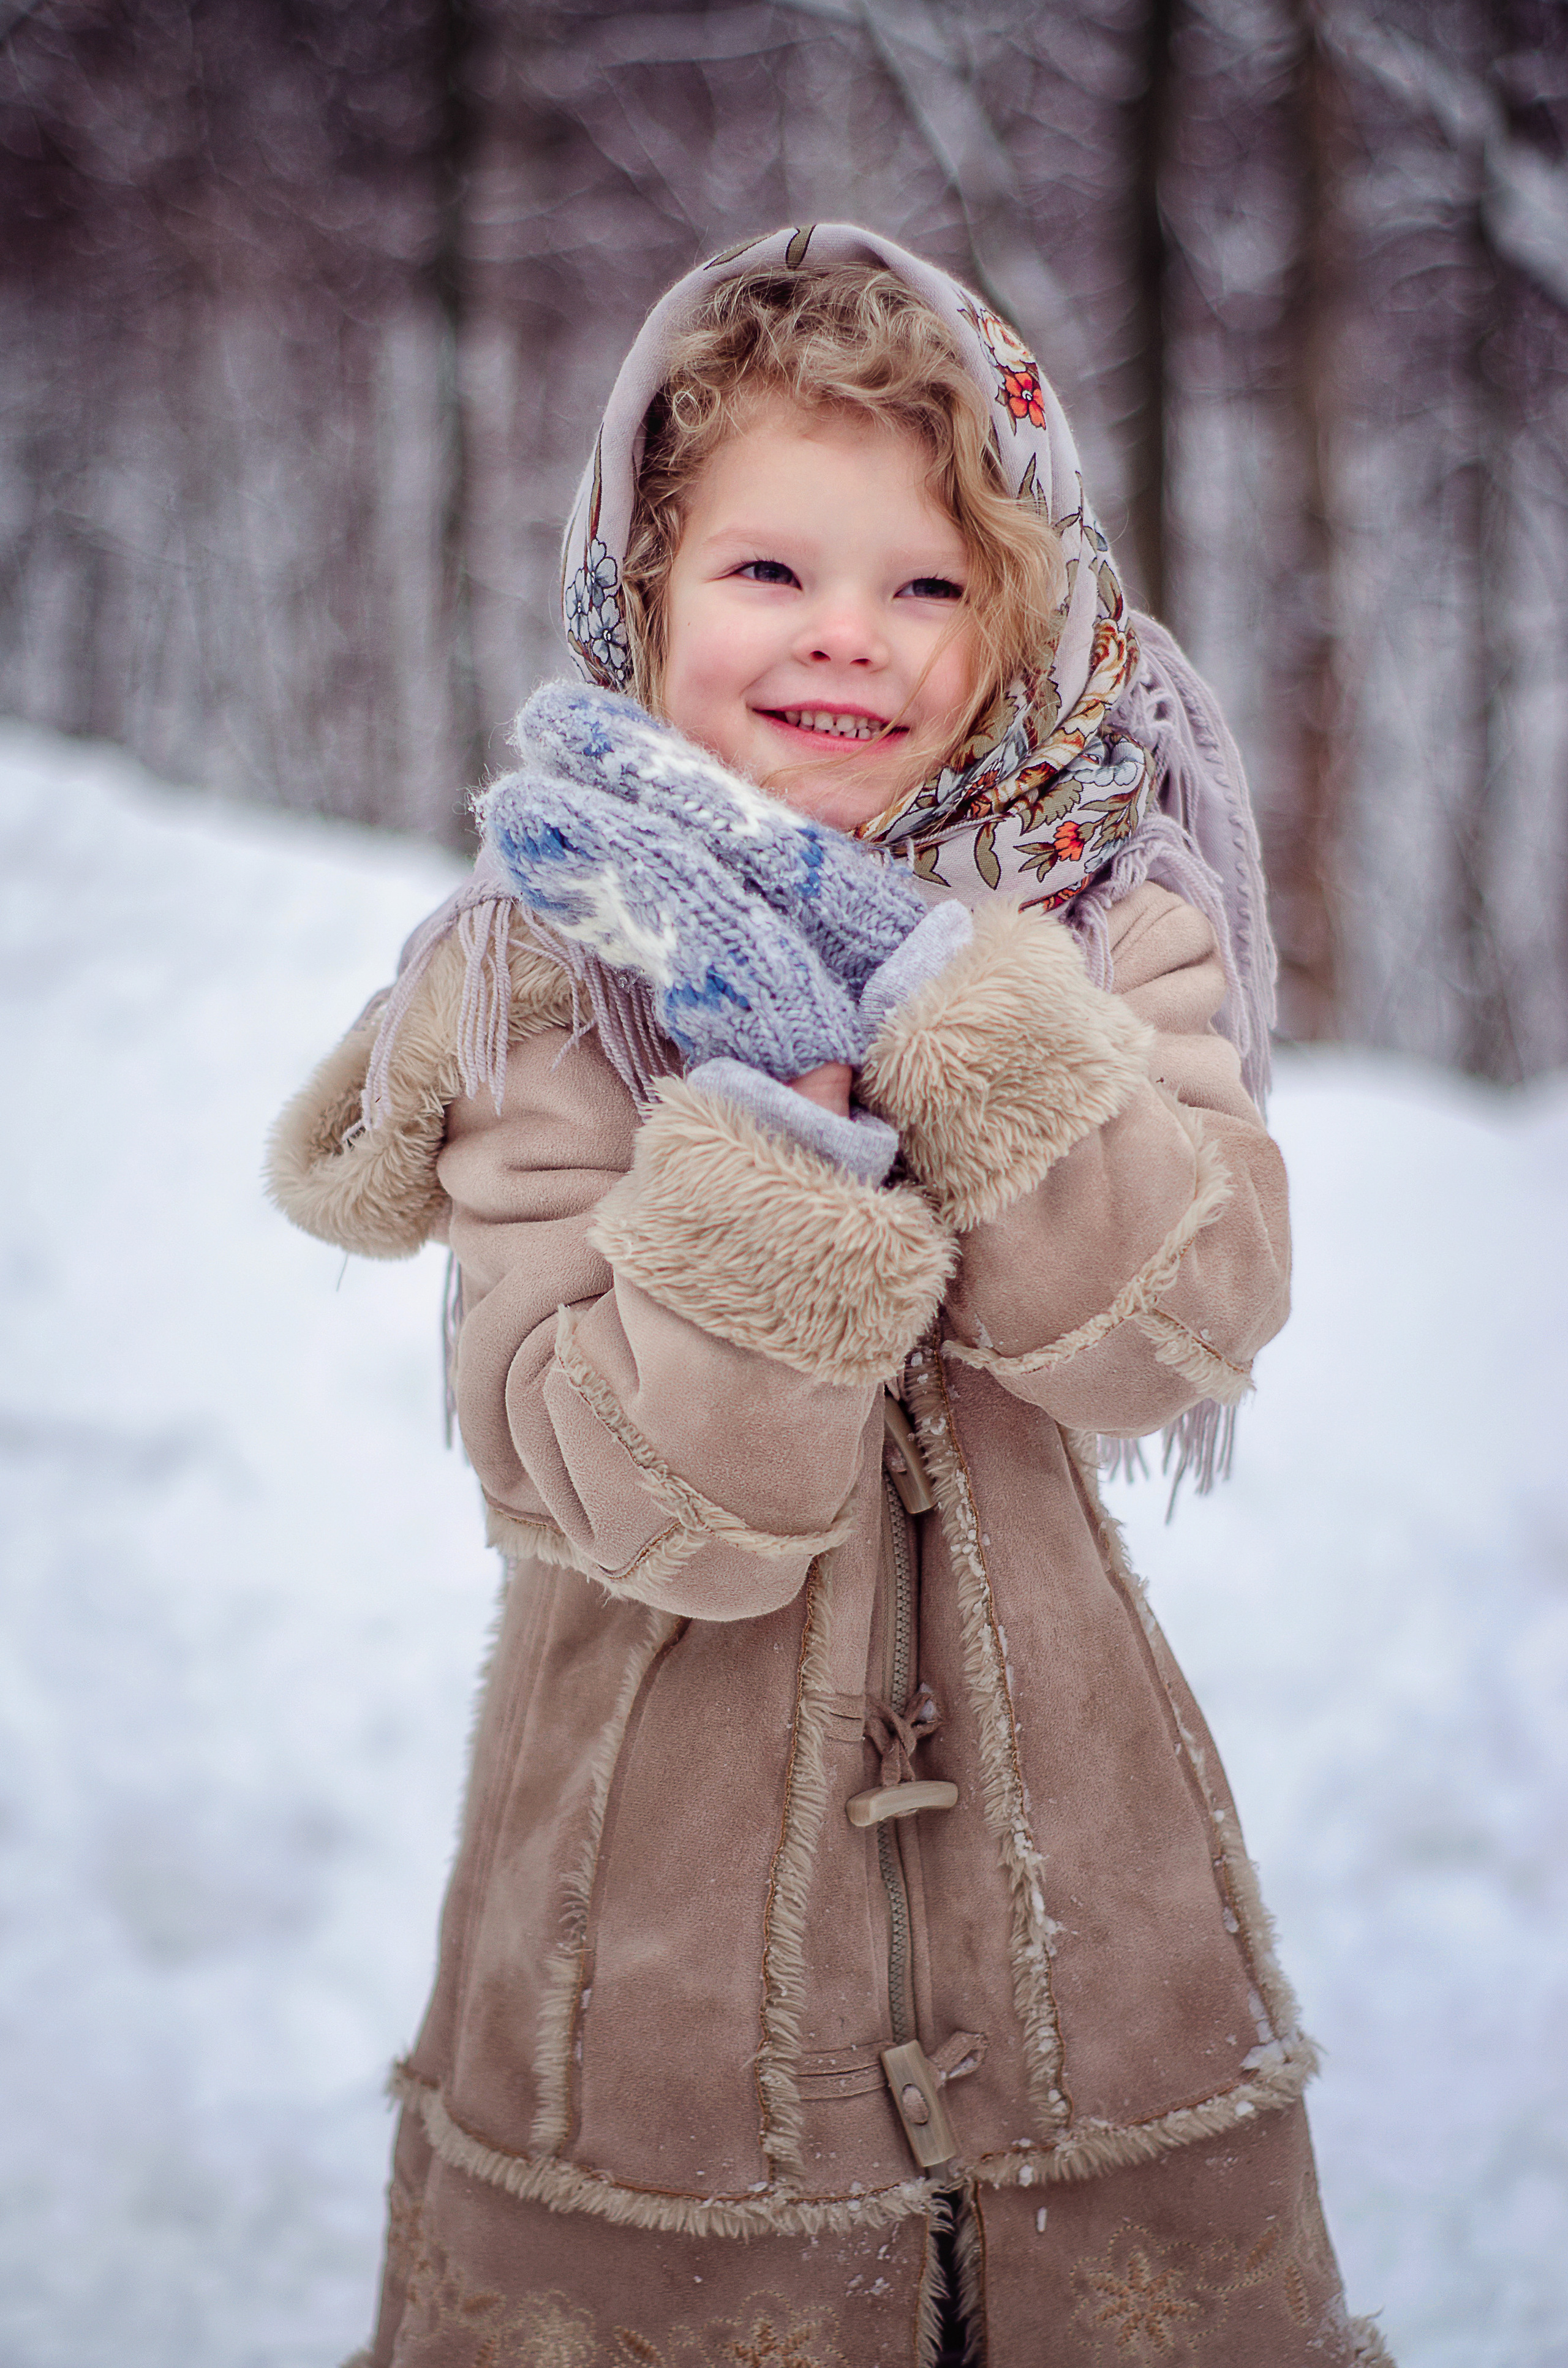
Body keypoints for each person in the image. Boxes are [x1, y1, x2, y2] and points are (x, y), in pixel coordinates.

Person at [268, 225, 1391, 2367]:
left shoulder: (1104, 919)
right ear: (641, 585)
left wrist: (954, 1016)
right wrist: (778, 1144)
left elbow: (1181, 1324)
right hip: (657, 1982)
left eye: (929, 584)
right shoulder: (540, 976)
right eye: (768, 569)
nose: (847, 637)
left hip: (1089, 1940)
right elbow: (641, 1502)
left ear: (1020, 609)